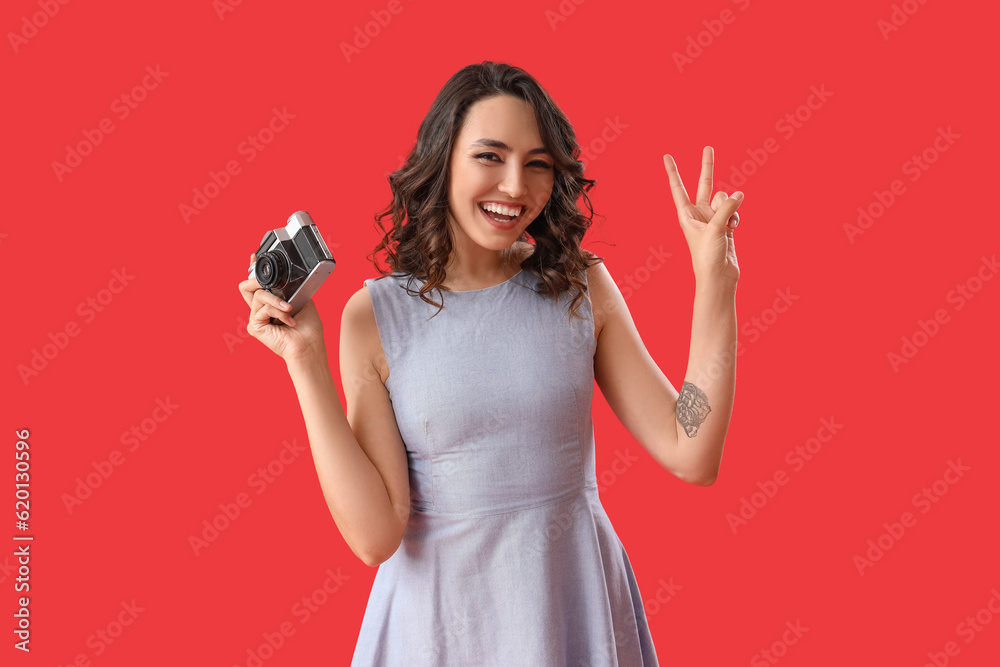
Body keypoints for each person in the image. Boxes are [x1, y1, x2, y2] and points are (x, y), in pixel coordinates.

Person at [238, 61, 743, 667]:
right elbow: (376, 536)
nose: (514, 187)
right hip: (437, 634)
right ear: (443, 159)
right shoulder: (374, 315)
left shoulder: (580, 287)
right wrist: (305, 359)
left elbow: (691, 447)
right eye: (489, 156)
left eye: (537, 164)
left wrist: (715, 283)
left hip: (570, 614)